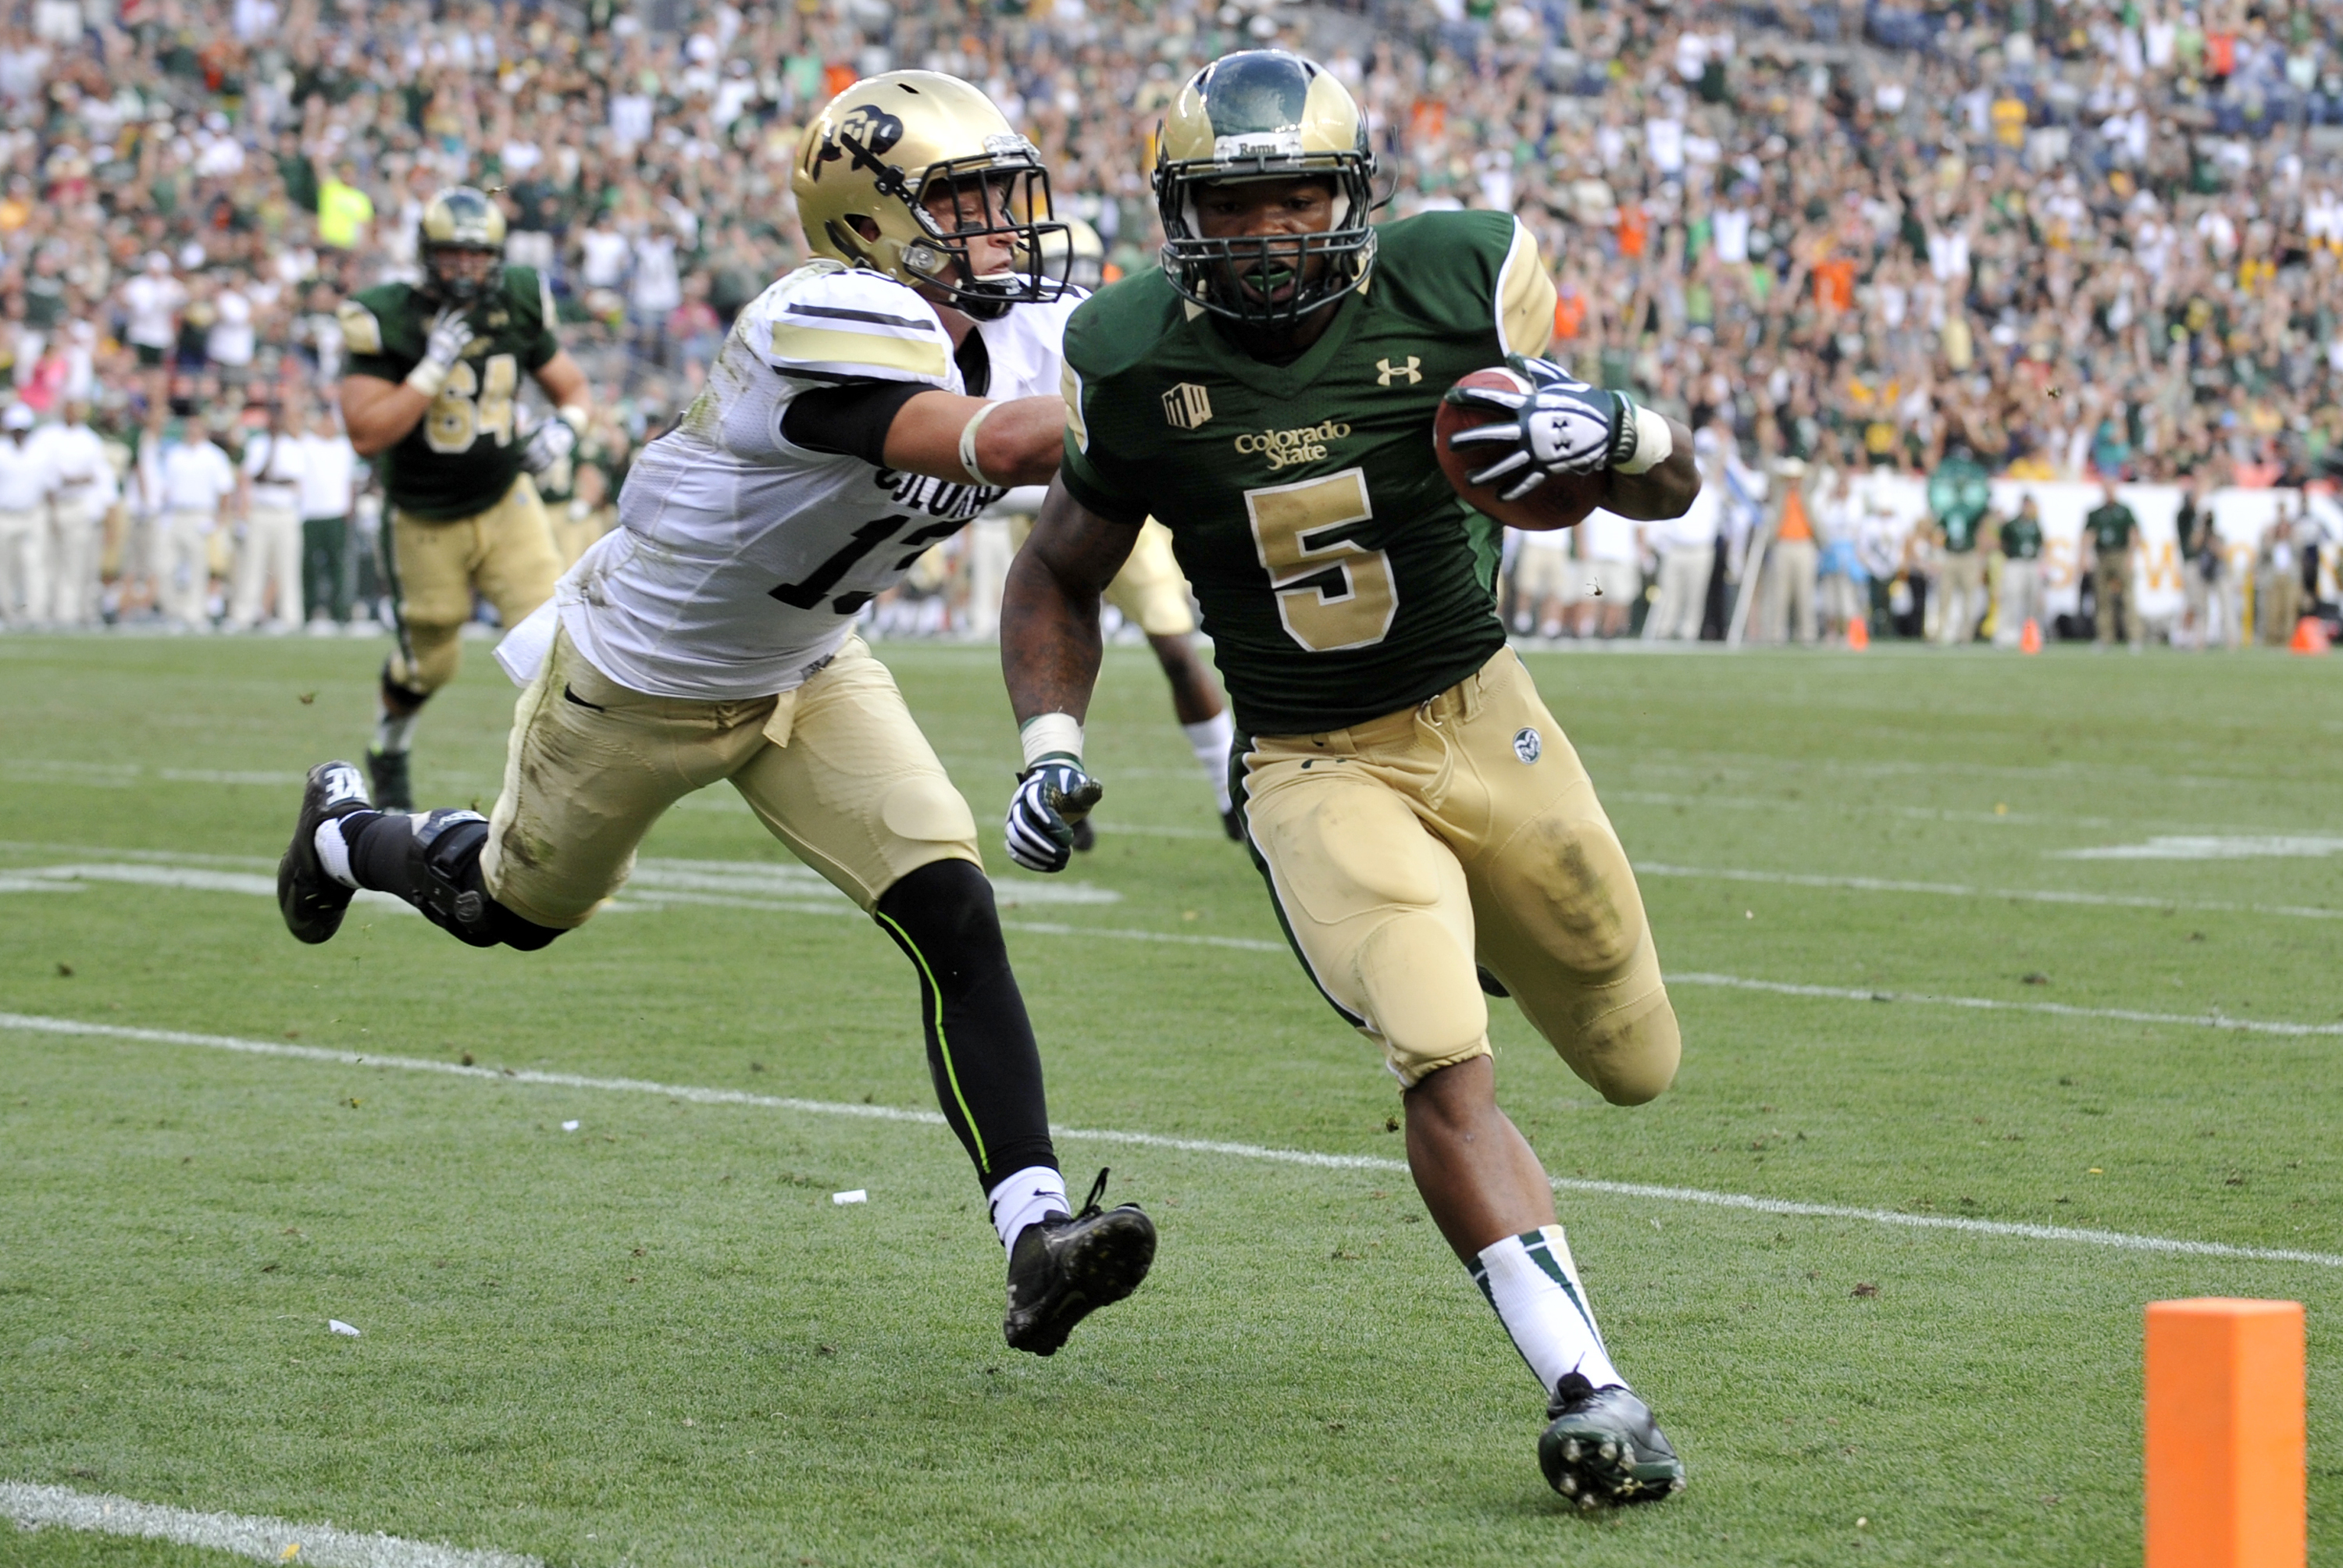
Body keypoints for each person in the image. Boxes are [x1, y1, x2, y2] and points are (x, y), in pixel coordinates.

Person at [276, 73, 1154, 1358]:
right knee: (509, 913)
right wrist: (1168, 393)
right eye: (961, 204)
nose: (1003, 228)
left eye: (1003, 196)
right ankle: (347, 836)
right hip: (639, 677)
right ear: (865, 224)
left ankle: (1034, 1242)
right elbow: (1007, 447)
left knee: (953, 910)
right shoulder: (820, 317)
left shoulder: (1027, 319)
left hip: (811, 659)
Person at [997, 51, 1695, 1506]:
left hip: (1483, 713)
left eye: (1295, 193)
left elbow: (1641, 485)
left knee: (1637, 1062)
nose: (1265, 232)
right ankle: (1590, 1384)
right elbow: (1056, 570)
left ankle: (1458, 921)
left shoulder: (1460, 280)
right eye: (1233, 204)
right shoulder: (1134, 357)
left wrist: (1630, 433)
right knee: (1442, 1050)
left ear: (1351, 192)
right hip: (1311, 757)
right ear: (1185, 214)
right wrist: (1051, 743)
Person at [336, 186, 594, 807]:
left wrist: (566, 428)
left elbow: (573, 388)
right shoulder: (384, 316)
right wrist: (429, 369)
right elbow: (367, 434)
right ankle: (389, 747)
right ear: (427, 255)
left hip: (507, 499)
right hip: (424, 517)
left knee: (555, 641)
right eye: (452, 256)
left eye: (477, 258)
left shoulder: (519, 299)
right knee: (431, 663)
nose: (465, 270)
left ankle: (558, 794)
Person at [31, 397, 112, 627]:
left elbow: (95, 476)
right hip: (48, 503)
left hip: (76, 504)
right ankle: (39, 611)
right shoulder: (47, 436)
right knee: (44, 560)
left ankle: (67, 613)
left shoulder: (89, 440)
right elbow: (40, 470)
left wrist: (70, 480)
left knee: (73, 562)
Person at [230, 403, 307, 633]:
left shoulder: (294, 447)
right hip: (260, 511)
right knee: (253, 565)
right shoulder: (257, 445)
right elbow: (252, 476)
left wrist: (269, 479)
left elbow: (293, 481)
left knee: (287, 567)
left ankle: (291, 617)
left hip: (284, 513)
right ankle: (243, 615)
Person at [155, 418, 238, 629]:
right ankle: (173, 612)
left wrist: (218, 520)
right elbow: (165, 488)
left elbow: (225, 491)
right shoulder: (175, 455)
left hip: (201, 514)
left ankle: (195, 614)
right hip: (176, 514)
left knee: (197, 568)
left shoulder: (213, 456)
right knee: (166, 566)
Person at [298, 405, 358, 629]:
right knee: (310, 564)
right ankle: (309, 609)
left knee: (338, 564)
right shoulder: (307, 444)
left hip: (336, 512)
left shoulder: (345, 447)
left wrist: (349, 508)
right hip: (311, 512)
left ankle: (339, 612)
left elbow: (350, 481)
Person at [1927, 439, 1991, 646]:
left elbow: (1982, 523)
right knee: (1944, 597)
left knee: (1968, 599)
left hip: (1968, 554)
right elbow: (1937, 526)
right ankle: (1939, 634)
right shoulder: (1947, 507)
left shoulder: (1973, 507)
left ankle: (1965, 636)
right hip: (1951, 554)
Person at [0, 403, 55, 626]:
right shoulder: (2, 451)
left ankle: (36, 613)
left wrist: (53, 515)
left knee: (35, 564)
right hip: (5, 515)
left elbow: (50, 486)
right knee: (4, 566)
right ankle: (7, 613)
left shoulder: (40, 452)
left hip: (33, 514)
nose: (19, 434)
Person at [2081, 480, 2141, 647]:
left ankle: (2134, 637)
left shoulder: (2124, 511)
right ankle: (2105, 637)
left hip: (2120, 554)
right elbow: (2089, 534)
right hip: (2102, 555)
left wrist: (2130, 556)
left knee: (2128, 597)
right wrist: (2084, 556)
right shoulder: (2096, 513)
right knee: (2102, 598)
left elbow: (2133, 533)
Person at [1994, 493, 2045, 646]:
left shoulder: (2036, 525)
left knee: (2033, 599)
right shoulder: (2011, 524)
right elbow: (2002, 544)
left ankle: (2033, 633)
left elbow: (2041, 544)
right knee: (2011, 596)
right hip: (2015, 562)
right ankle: (2005, 632)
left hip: (2032, 562)